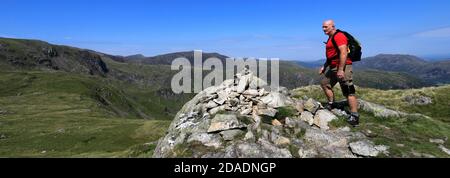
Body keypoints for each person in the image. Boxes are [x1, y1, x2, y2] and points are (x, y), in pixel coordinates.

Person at [319, 19, 359, 126]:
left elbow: (343, 52)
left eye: (326, 27)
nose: (323, 29)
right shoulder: (330, 38)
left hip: (343, 67)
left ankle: (354, 116)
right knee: (324, 83)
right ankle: (332, 104)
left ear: (332, 26)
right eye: (323, 27)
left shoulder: (339, 36)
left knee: (348, 91)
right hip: (333, 67)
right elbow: (331, 55)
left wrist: (341, 69)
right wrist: (324, 66)